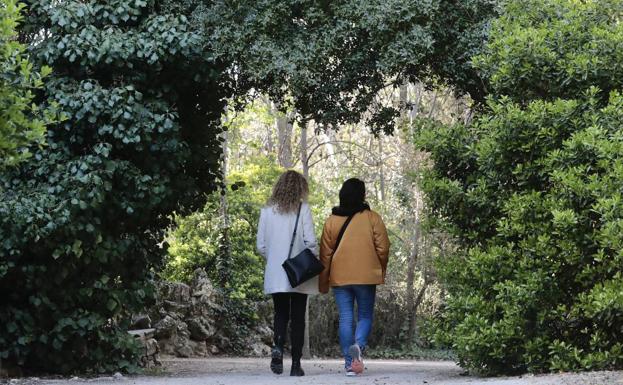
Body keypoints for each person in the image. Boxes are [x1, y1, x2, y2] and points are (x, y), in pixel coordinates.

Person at [319, 178, 390, 376]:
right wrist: (379, 268)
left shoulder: (331, 221)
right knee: (365, 315)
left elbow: (325, 255)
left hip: (340, 277)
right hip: (366, 276)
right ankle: (358, 345)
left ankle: (350, 364)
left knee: (345, 319)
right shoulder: (372, 218)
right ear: (363, 195)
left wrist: (323, 281)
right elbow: (383, 248)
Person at [256, 170, 319, 377]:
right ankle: (295, 365)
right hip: (299, 272)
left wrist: (275, 257)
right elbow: (310, 242)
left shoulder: (267, 211)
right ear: (300, 188)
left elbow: (261, 246)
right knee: (298, 317)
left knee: (280, 313)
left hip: (276, 271)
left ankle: (277, 347)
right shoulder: (303, 209)